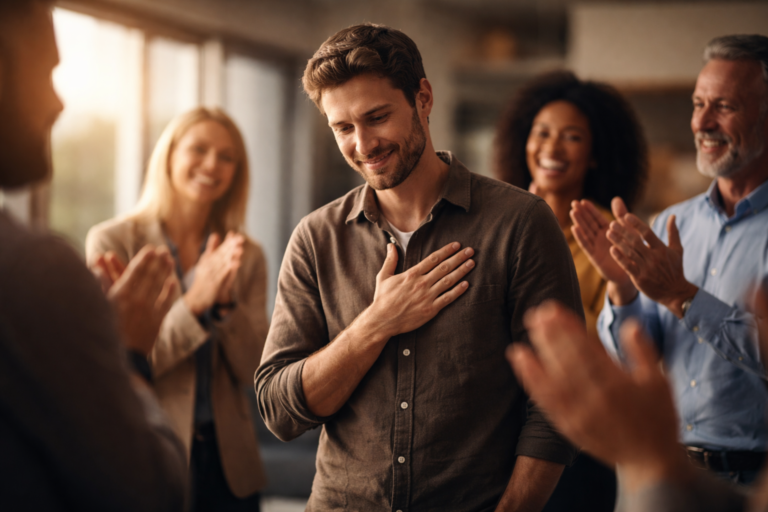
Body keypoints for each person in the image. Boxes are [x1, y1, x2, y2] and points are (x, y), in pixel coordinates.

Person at [256, 23, 583, 512]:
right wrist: (376, 323)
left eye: (377, 117)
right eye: (343, 127)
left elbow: (558, 401)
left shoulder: (519, 224)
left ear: (423, 98)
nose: (363, 144)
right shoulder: (316, 238)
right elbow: (280, 413)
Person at [0, 1, 187, 510]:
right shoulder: (35, 269)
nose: (58, 103)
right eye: (46, 71)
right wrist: (126, 355)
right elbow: (152, 494)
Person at [571, 34, 768, 485]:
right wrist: (621, 290)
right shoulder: (670, 223)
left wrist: (682, 296)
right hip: (669, 474)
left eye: (725, 106)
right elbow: (636, 361)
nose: (701, 121)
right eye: (698, 103)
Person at [86, 107, 270, 511]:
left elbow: (256, 369)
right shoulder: (113, 242)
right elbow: (118, 365)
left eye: (226, 156)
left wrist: (223, 309)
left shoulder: (246, 255)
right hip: (148, 453)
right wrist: (193, 303)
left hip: (230, 468)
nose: (212, 164)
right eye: (198, 149)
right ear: (169, 155)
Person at [493, 70, 648, 512]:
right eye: (541, 132)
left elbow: (619, 349)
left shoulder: (613, 239)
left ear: (595, 153)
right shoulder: (496, 224)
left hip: (579, 437)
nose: (552, 147)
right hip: (496, 432)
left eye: (572, 136)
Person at [506, 287, 768, 512]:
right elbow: (641, 344)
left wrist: (653, 462)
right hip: (685, 463)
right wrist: (623, 291)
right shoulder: (675, 226)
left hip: (743, 461)